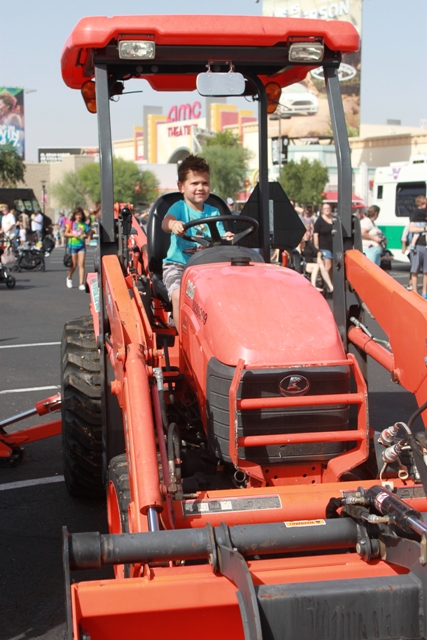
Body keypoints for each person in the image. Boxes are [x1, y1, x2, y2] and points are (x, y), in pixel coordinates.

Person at [161, 154, 233, 327]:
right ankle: (183, 345)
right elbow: (165, 223)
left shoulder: (213, 212)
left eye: (205, 183)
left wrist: (227, 237)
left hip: (206, 266)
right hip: (178, 266)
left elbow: (220, 236)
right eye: (194, 183)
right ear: (181, 186)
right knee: (179, 295)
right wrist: (174, 224)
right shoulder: (179, 208)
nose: (200, 187)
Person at [64, 207, 90, 290]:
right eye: (77, 215)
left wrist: (85, 236)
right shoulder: (71, 223)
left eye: (80, 215)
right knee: (74, 265)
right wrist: (73, 235)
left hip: (81, 246)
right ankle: (69, 277)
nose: (78, 216)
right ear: (74, 215)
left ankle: (81, 283)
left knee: (81, 264)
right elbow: (66, 233)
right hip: (73, 246)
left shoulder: (84, 225)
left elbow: (87, 234)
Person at [409, 195, 427, 298]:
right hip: (418, 245)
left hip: (425, 246)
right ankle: (415, 292)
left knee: (426, 271)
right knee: (415, 270)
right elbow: (412, 229)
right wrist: (424, 229)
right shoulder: (415, 214)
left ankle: (425, 293)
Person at [313, 203, 335, 278]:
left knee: (333, 268)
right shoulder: (319, 220)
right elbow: (316, 234)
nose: (327, 210)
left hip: (334, 246)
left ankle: (331, 285)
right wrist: (316, 246)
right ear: (322, 210)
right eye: (325, 208)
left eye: (328, 208)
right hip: (324, 246)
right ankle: (326, 284)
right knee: (328, 266)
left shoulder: (334, 219)